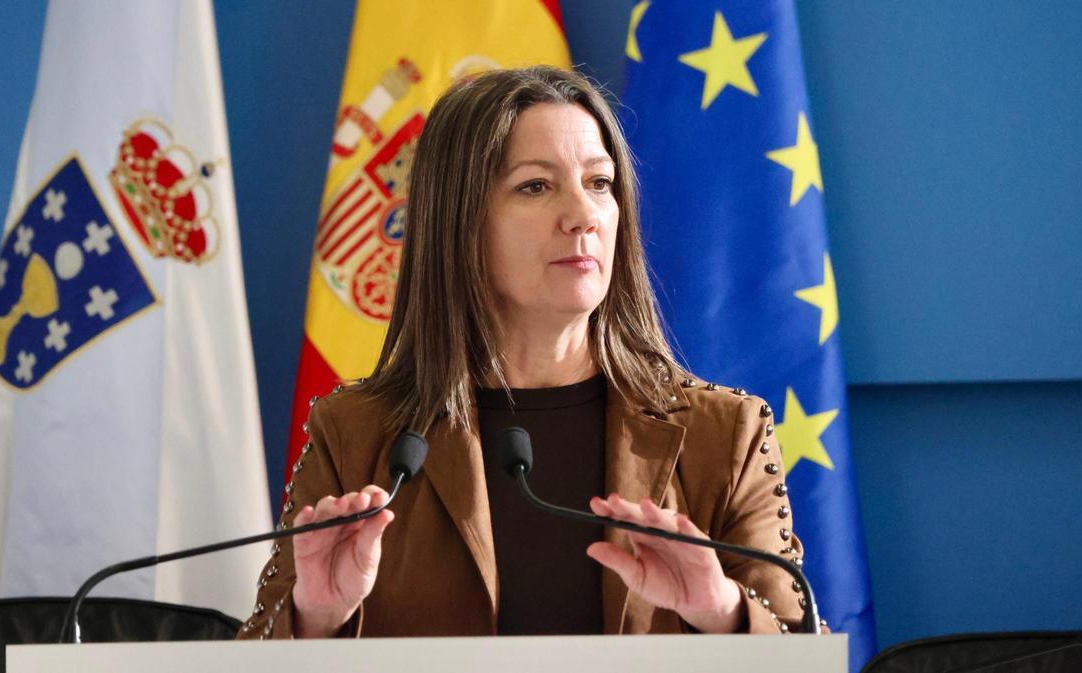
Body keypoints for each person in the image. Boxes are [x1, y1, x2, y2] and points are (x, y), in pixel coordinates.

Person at [239, 66, 806, 640]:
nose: (582, 215)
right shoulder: (354, 434)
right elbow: (254, 649)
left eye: (600, 183)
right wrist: (316, 617)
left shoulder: (724, 433)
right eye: (535, 186)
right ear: (458, 221)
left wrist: (721, 612)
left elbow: (801, 650)